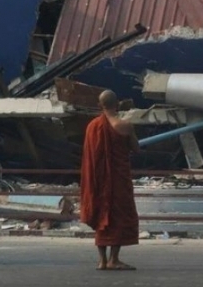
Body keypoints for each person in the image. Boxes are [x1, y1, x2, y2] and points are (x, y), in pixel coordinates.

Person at [80, 90, 139, 271]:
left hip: (98, 180)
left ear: (100, 105)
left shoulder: (92, 126)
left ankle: (102, 261)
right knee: (118, 216)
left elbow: (88, 157)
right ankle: (114, 259)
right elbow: (135, 148)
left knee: (101, 216)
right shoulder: (125, 125)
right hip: (118, 180)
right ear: (118, 104)